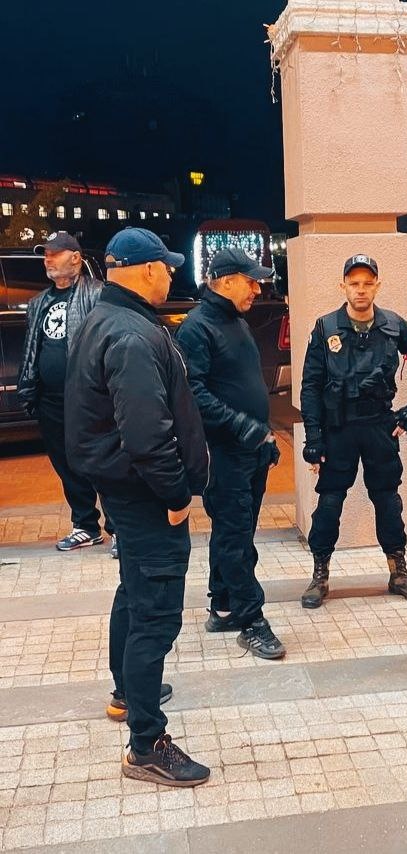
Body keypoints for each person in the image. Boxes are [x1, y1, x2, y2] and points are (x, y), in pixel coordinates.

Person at [64, 227, 210, 787]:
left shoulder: (107, 318)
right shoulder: (129, 334)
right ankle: (146, 744)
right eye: (166, 266)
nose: (171, 274)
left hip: (126, 490)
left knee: (133, 591)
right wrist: (176, 496)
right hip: (147, 495)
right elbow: (147, 436)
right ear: (146, 269)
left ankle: (128, 692)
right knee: (155, 614)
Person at [300, 254, 407, 608]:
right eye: (354, 283)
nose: (360, 290)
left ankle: (398, 573)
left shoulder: (394, 325)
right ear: (343, 286)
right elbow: (310, 385)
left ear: (377, 286)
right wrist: (313, 438)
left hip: (379, 426)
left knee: (388, 501)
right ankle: (320, 575)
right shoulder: (325, 328)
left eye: (367, 283)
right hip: (338, 429)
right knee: (329, 503)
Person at [176, 248, 285, 660]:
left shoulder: (235, 321)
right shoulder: (197, 327)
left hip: (251, 450)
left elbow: (242, 384)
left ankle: (222, 606)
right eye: (250, 281)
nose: (258, 289)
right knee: (236, 539)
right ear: (224, 281)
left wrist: (263, 437)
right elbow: (194, 394)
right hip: (224, 453)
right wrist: (243, 427)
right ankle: (250, 619)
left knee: (234, 534)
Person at [17, 230, 116, 555]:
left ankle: (119, 528)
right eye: (45, 254)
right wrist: (30, 387)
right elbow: (33, 348)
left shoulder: (97, 294)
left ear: (75, 258)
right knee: (66, 463)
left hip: (89, 397)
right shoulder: (39, 303)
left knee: (102, 461)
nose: (47, 259)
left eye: (54, 253)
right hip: (50, 399)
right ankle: (85, 525)